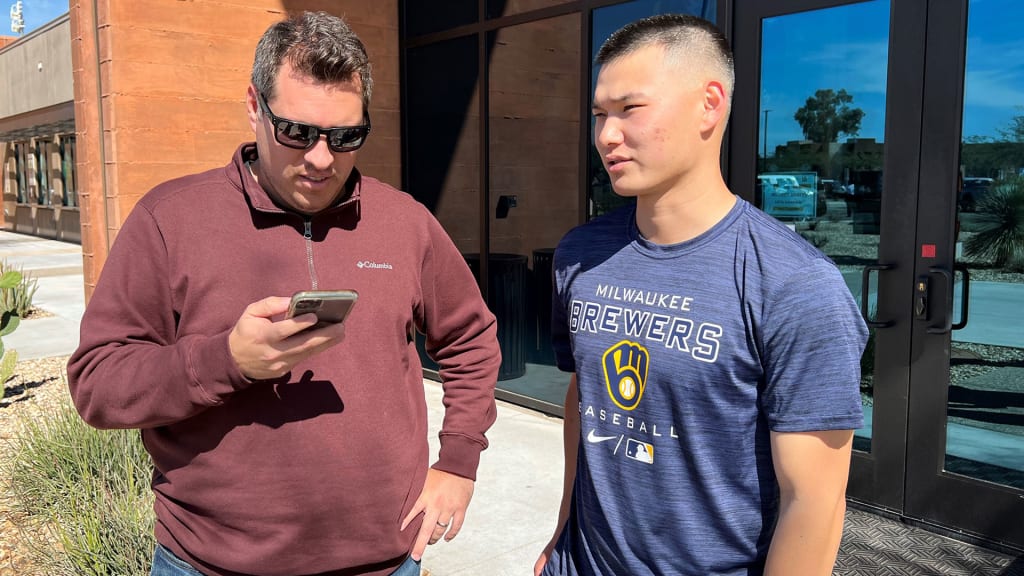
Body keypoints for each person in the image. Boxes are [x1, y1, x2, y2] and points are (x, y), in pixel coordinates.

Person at [67, 11, 501, 576]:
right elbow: (98, 383)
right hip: (208, 564)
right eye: (296, 132)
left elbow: (470, 339)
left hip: (385, 563)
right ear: (254, 106)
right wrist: (226, 361)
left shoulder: (406, 222)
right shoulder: (169, 220)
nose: (321, 159)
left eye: (347, 137)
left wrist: (459, 462)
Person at [534, 14, 867, 576]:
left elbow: (814, 501)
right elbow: (583, 396)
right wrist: (562, 531)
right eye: (599, 115)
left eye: (629, 109)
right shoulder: (579, 254)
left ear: (709, 104)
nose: (606, 136)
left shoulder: (794, 284)